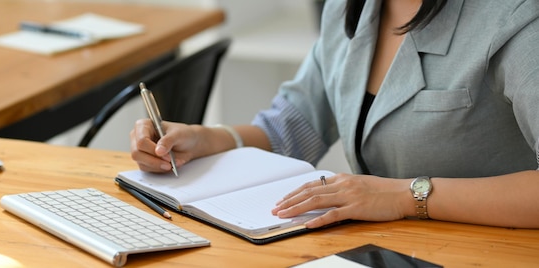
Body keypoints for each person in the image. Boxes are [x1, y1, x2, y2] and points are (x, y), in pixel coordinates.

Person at [130, 0, 539, 229]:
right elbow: (297, 123)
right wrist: (208, 139)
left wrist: (404, 196)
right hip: (386, 249)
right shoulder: (351, 7)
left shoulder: (518, 19)